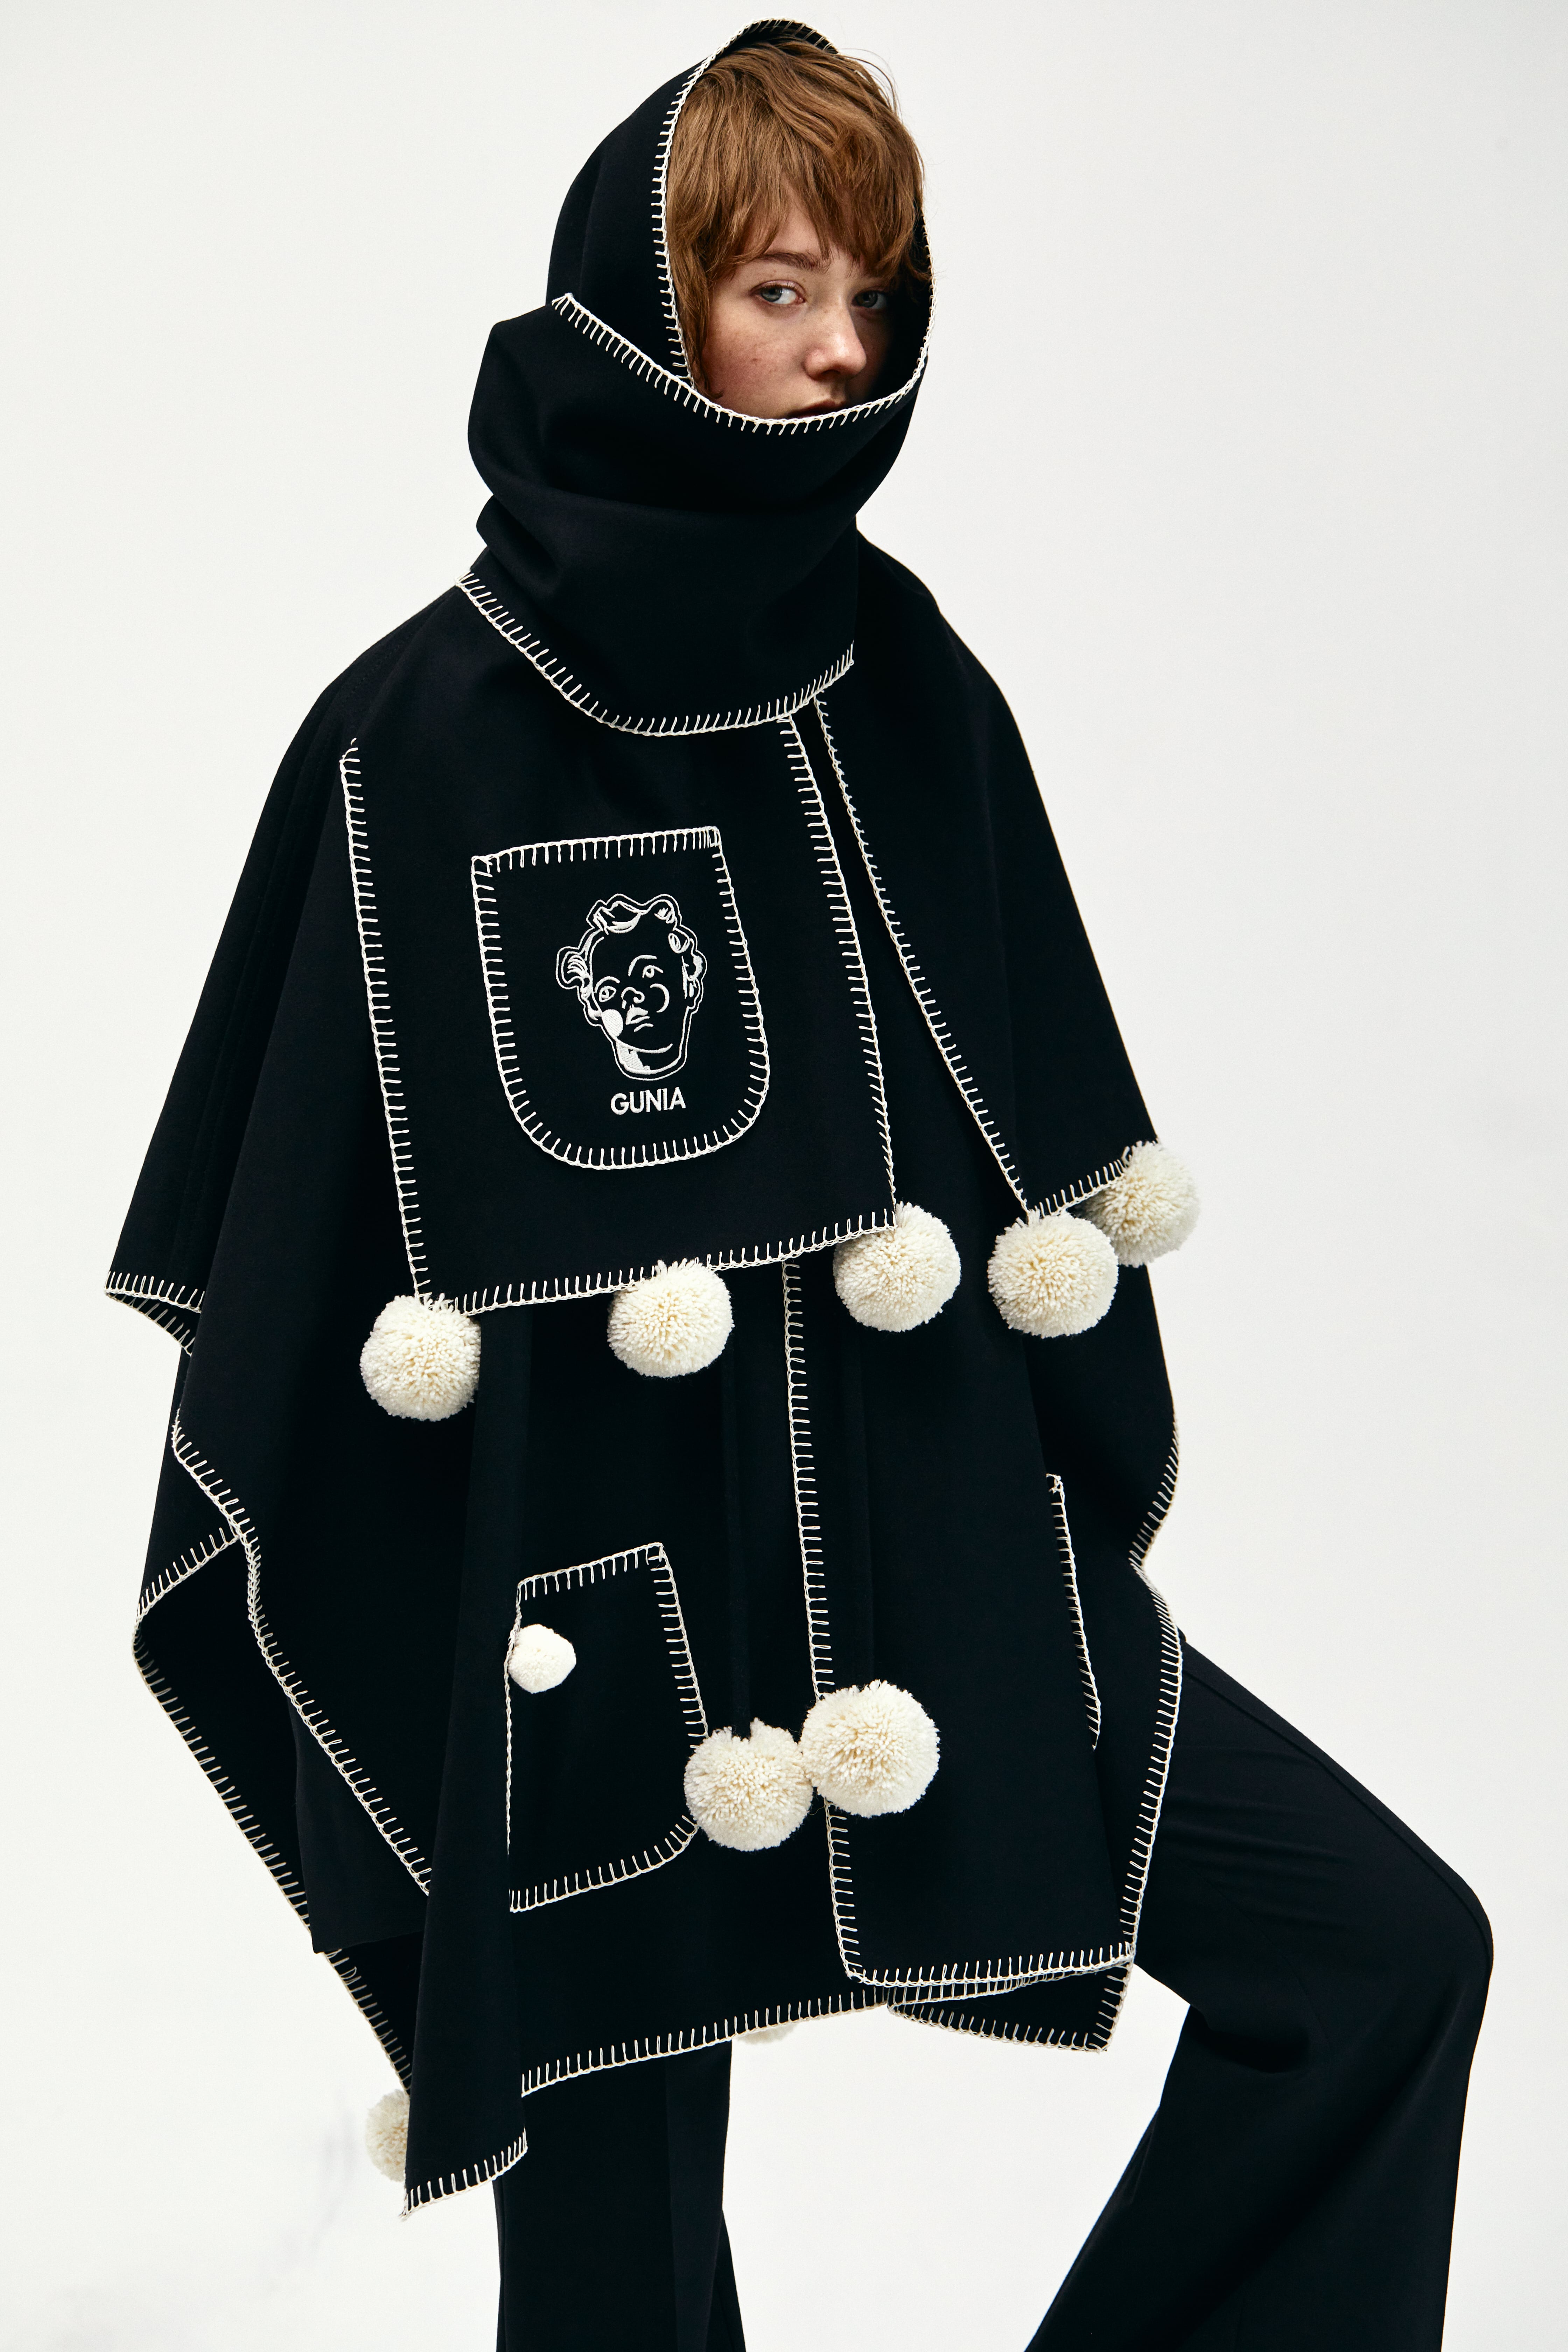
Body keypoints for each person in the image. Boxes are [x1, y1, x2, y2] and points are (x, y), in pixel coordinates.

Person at [110, 24, 1491, 2351]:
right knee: (624, 2286)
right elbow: (291, 1285)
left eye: (873, 293)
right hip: (590, 1634)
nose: (845, 348)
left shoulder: (906, 678)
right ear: (644, 304)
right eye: (779, 290)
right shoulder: (413, 736)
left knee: (1383, 1956)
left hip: (925, 1559)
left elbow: (1034, 1142)